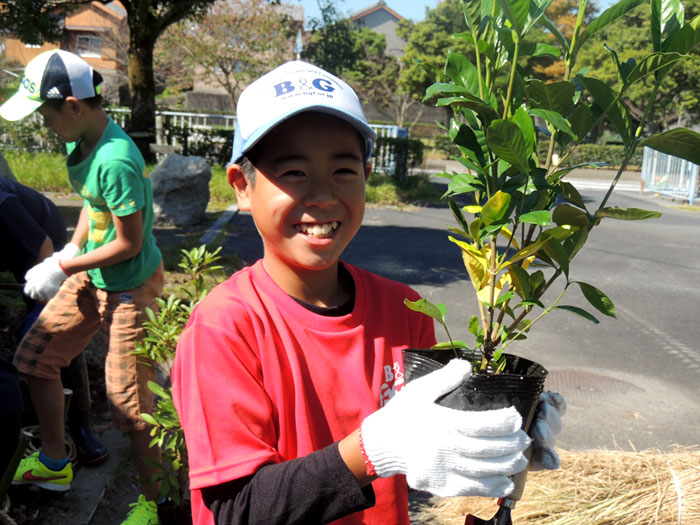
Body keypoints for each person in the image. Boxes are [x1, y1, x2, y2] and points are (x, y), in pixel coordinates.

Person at [171, 60, 566, 525]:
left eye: (343, 169)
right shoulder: (224, 329)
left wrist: (500, 435)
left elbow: (424, 458)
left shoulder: (404, 310)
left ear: (367, 174)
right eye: (293, 171)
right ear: (242, 185)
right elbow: (237, 510)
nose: (321, 195)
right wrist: (373, 450)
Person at [0, 49, 164, 525]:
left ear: (73, 105)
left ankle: (153, 504)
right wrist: (64, 254)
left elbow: (131, 244)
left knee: (130, 404)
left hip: (130, 286)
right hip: (94, 275)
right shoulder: (80, 144)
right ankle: (54, 464)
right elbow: (93, 214)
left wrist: (65, 270)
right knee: (35, 358)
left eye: (46, 114)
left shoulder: (115, 159)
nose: (44, 124)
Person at [0, 176, 108, 468]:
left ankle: (80, 426)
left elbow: (42, 248)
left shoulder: (4, 204)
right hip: (7, 249)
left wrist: (45, 295)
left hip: (47, 250)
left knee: (50, 334)